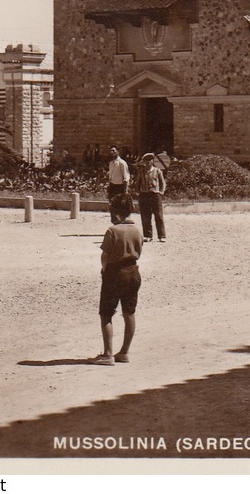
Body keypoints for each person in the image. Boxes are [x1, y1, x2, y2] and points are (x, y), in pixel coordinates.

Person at [87, 193, 143, 366]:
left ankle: (108, 354)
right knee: (129, 312)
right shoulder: (137, 230)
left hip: (115, 273)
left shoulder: (112, 231)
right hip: (133, 272)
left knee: (106, 314)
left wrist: (104, 270)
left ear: (116, 212)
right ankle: (124, 352)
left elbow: (105, 256)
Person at [133, 152, 167, 242]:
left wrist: (161, 192)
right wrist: (137, 192)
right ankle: (147, 235)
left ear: (152, 161)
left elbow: (162, 182)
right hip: (144, 195)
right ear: (144, 162)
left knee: (159, 216)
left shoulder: (157, 171)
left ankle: (161, 236)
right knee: (145, 216)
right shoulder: (141, 172)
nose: (148, 162)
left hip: (155, 195)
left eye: (150, 160)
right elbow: (137, 183)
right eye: (146, 160)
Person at [106, 145, 130, 222]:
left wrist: (125, 191)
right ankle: (115, 223)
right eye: (111, 151)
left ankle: (121, 222)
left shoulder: (122, 163)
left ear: (118, 152)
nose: (112, 152)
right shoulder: (111, 163)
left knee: (120, 206)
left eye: (114, 151)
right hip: (112, 187)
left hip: (120, 187)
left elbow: (126, 178)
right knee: (112, 206)